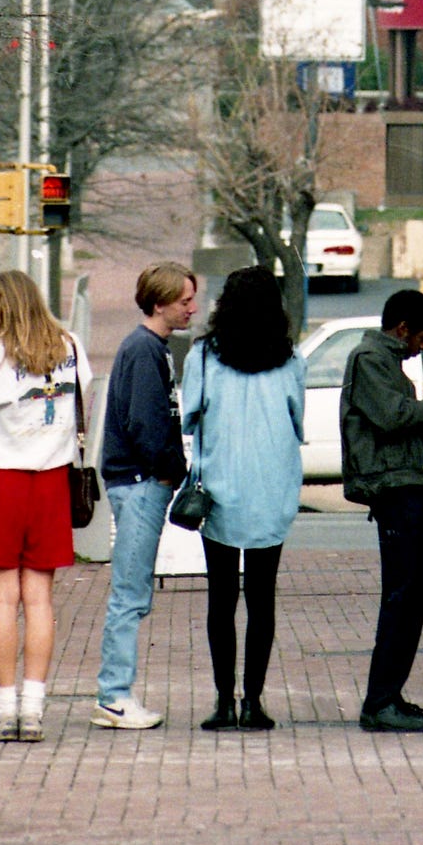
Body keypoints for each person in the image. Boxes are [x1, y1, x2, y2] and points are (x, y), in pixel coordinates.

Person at [0, 269, 90, 742]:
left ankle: (2, 707)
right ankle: (33, 708)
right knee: (40, 601)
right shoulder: (69, 346)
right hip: (50, 480)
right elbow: (81, 400)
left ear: (1, 305)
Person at [180, 265, 306, 732]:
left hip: (219, 490)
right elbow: (297, 421)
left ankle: (222, 701)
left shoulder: (205, 358)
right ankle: (254, 701)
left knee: (220, 599)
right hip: (271, 490)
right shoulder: (290, 360)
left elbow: (190, 417)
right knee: (261, 598)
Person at [91, 262, 197, 731]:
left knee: (132, 591)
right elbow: (143, 423)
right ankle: (113, 695)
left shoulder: (149, 348)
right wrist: (169, 470)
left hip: (138, 481)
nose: (192, 307)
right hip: (138, 482)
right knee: (130, 593)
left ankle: (115, 693)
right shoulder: (144, 350)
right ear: (159, 303)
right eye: (184, 300)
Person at [340, 288, 423, 734]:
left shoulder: (386, 363)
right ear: (401, 329)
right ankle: (380, 700)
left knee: (411, 598)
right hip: (397, 492)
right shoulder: (370, 358)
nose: (422, 347)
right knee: (401, 597)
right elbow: (390, 415)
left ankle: (392, 694)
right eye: (421, 337)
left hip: (412, 486)